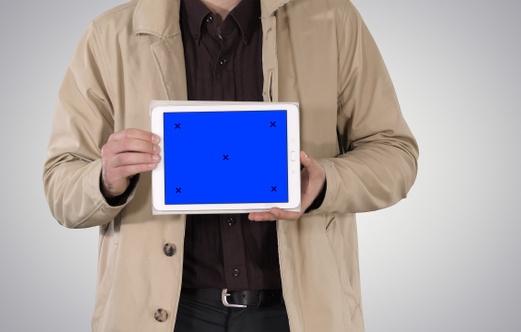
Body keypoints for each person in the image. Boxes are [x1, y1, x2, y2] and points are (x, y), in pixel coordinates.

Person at [43, 0, 418, 331]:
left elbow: (395, 154)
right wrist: (106, 180)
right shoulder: (109, 37)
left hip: (297, 314)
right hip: (162, 315)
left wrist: (327, 184)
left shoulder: (333, 20)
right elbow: (61, 185)